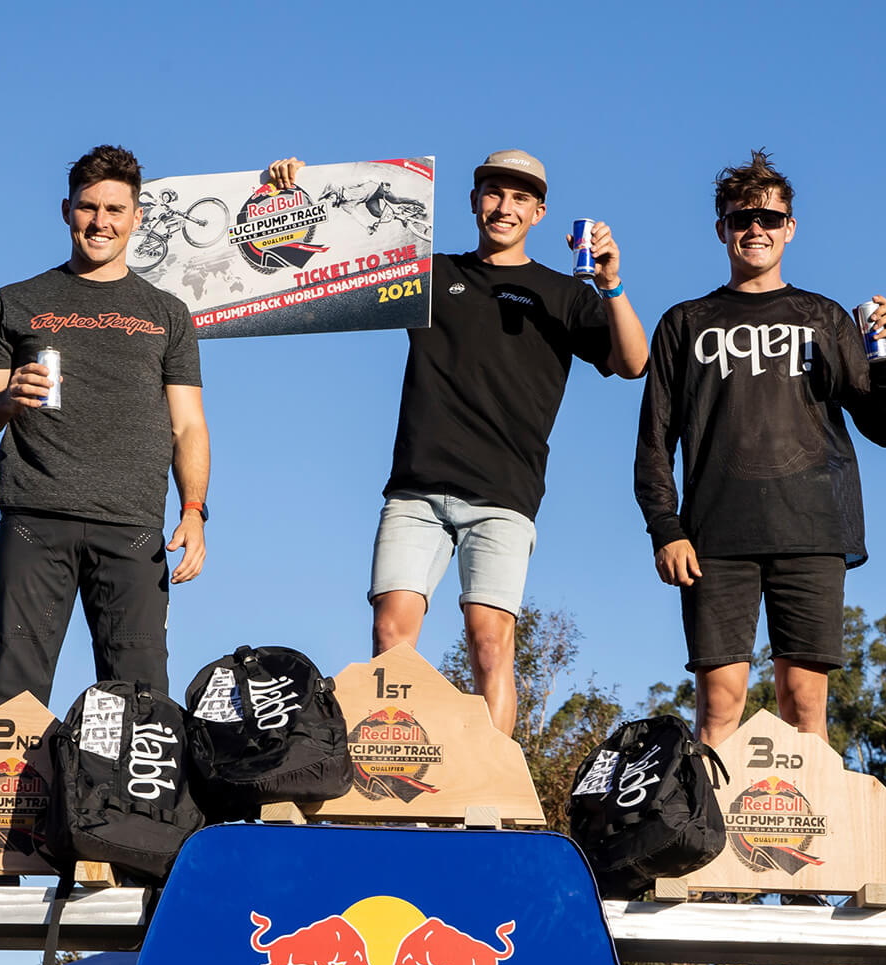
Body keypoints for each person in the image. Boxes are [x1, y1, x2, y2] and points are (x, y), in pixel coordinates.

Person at [267, 151, 648, 734]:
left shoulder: (564, 294)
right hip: (416, 489)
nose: (504, 206)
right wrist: (293, 193)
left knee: (489, 643)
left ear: (540, 212)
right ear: (473, 201)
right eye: (494, 192)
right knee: (391, 635)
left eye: (521, 197)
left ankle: (491, 788)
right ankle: (391, 770)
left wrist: (612, 284)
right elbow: (332, 254)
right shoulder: (428, 274)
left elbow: (633, 362)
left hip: (504, 494)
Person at [634, 149, 886, 747]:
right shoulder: (684, 322)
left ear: (790, 228)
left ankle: (810, 840)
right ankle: (711, 843)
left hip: (811, 530)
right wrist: (665, 527)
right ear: (721, 229)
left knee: (805, 710)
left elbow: (884, 428)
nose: (754, 229)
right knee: (718, 711)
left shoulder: (827, 318)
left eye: (768, 218)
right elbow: (655, 438)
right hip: (714, 537)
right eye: (740, 219)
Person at [0, 145, 210, 707]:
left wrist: (193, 510)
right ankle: (18, 791)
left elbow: (189, 425)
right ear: (66, 209)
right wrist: (6, 398)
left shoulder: (167, 313)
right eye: (88, 207)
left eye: (116, 209)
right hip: (35, 519)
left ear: (138, 216)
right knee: (15, 690)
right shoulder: (17, 301)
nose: (101, 222)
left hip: (133, 526)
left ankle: (134, 800)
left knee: (142, 700)